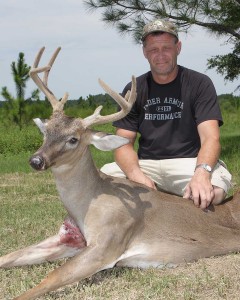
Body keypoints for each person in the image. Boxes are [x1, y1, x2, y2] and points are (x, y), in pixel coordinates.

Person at [101, 19, 232, 209]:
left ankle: (171, 203)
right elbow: (122, 144)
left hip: (188, 163)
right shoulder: (134, 89)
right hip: (147, 164)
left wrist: (201, 174)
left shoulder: (199, 83)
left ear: (178, 47)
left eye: (166, 48)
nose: (160, 55)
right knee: (101, 181)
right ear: (144, 52)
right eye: (153, 49)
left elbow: (210, 138)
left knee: (214, 192)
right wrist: (136, 176)